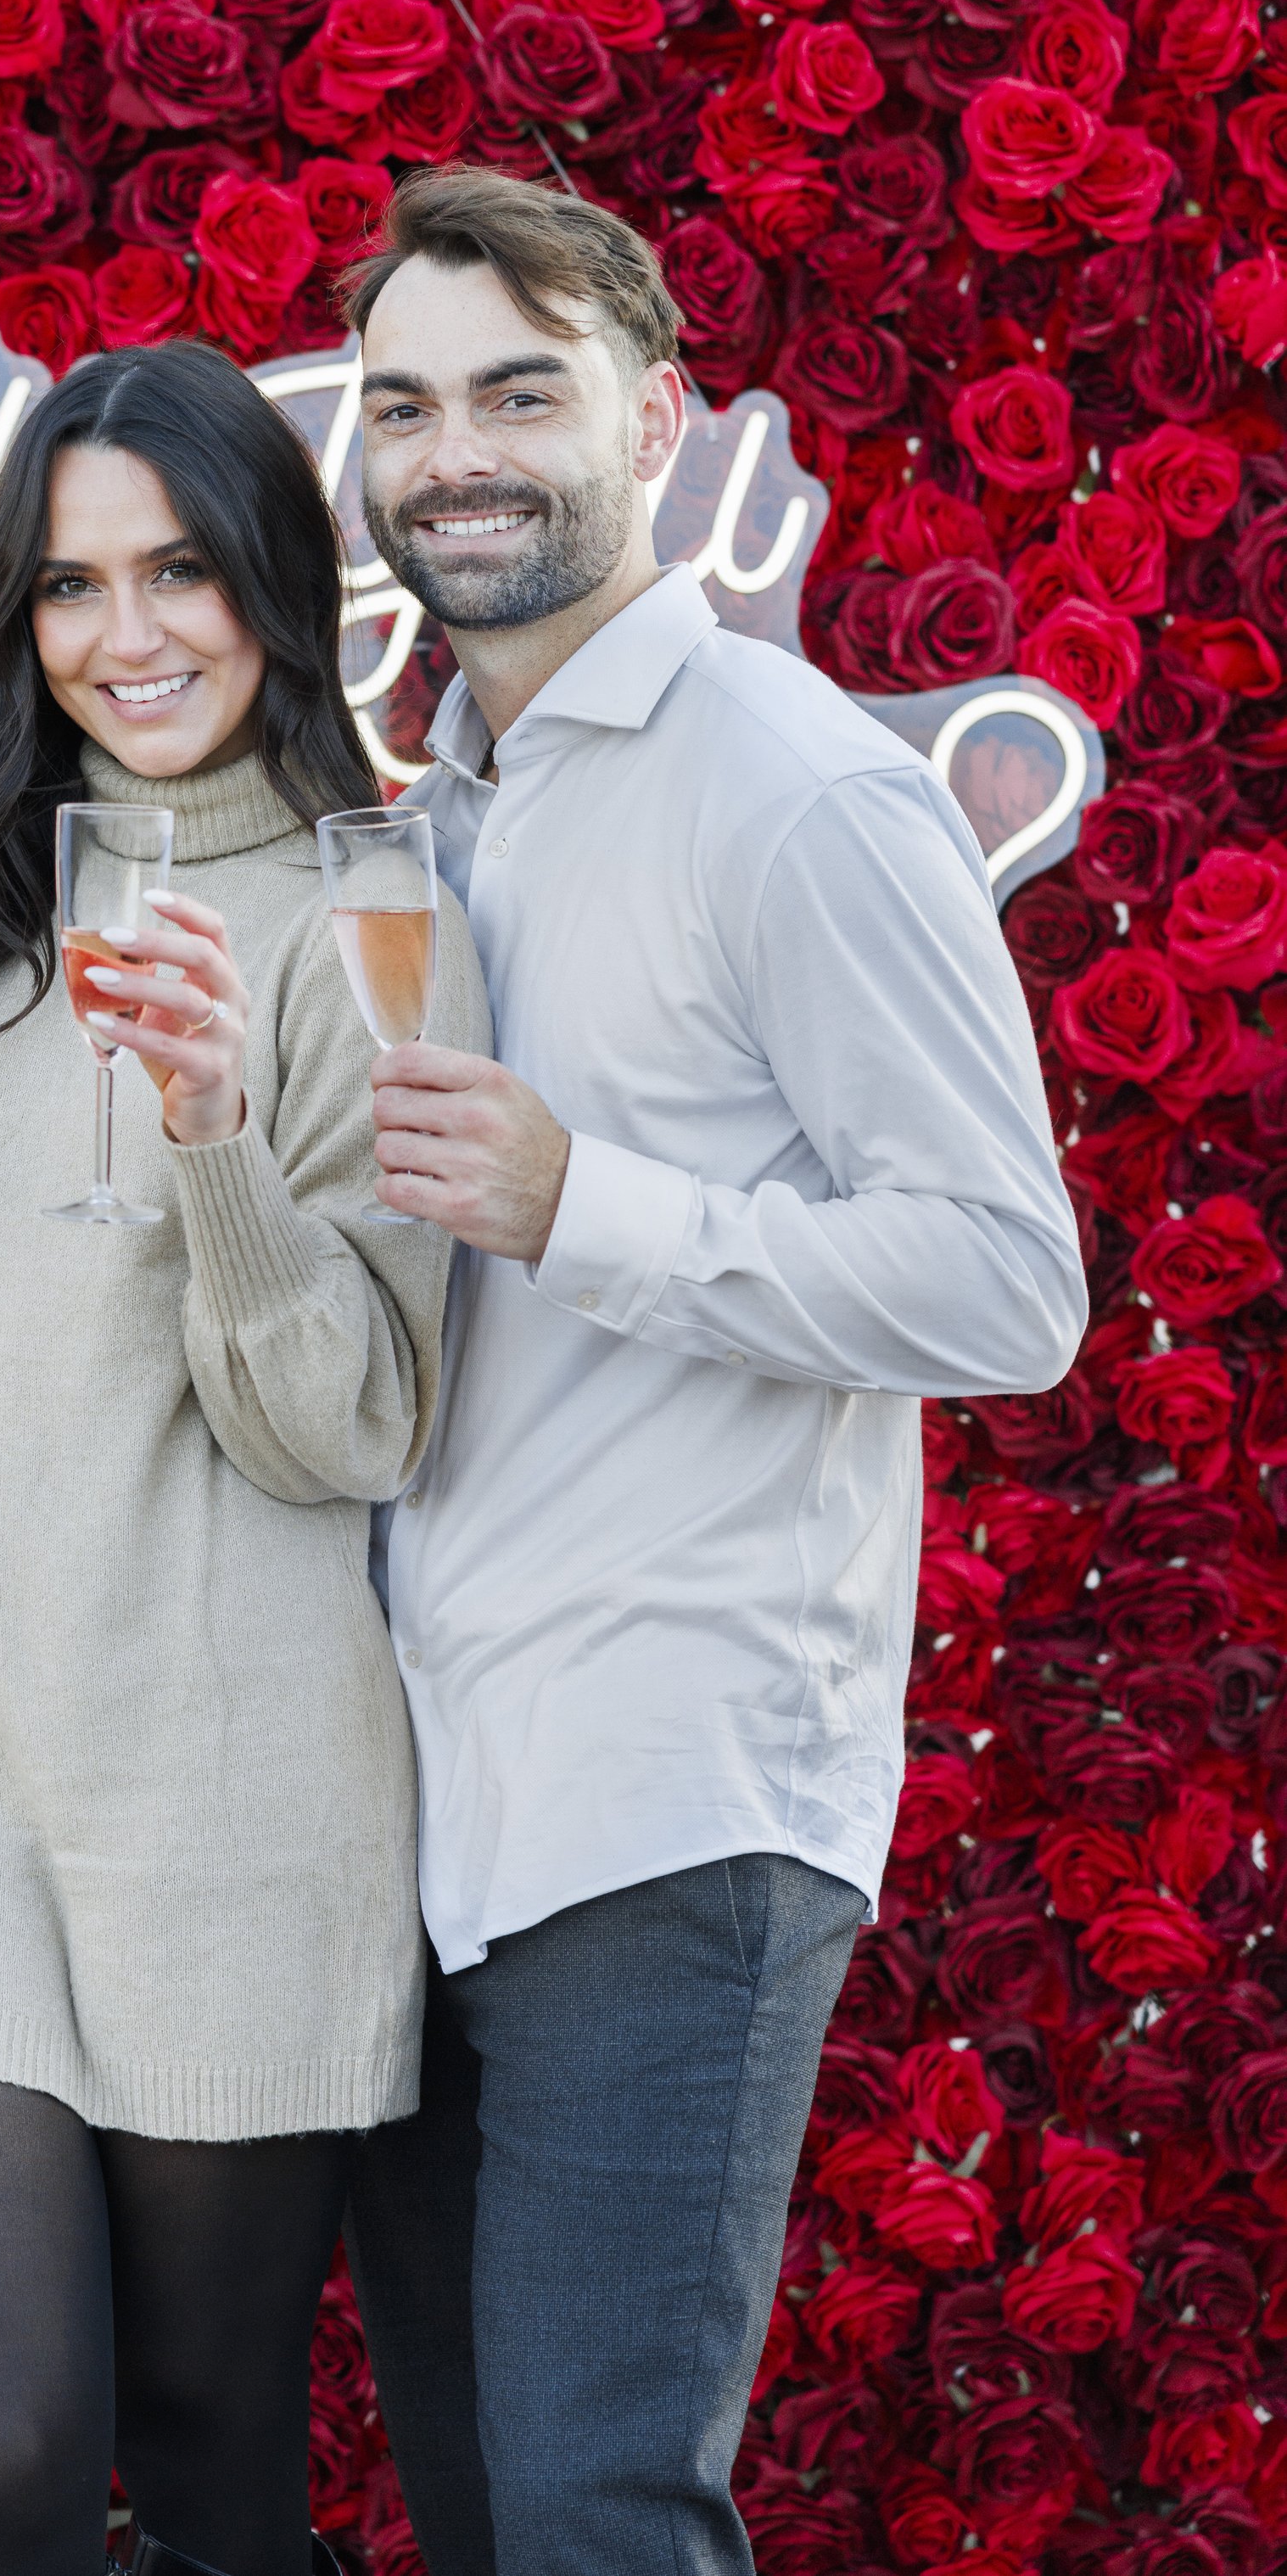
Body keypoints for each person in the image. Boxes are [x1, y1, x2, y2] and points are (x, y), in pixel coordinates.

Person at [326, 167, 1090, 2576]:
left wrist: (591, 1204)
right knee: (486, 2510)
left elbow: (1005, 1283)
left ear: (655, 417)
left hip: (665, 1794)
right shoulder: (437, 809)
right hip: (422, 1804)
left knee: (587, 2516)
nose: (456, 451)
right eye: (405, 401)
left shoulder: (794, 787)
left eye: (519, 392)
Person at [0, 337, 489, 2576]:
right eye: (65, 585)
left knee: (217, 2455)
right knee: (16, 2443)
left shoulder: (372, 917)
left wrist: (220, 1133)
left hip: (244, 1795)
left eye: (179, 571)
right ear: (13, 617)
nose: (125, 634)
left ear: (275, 585)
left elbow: (345, 1426)